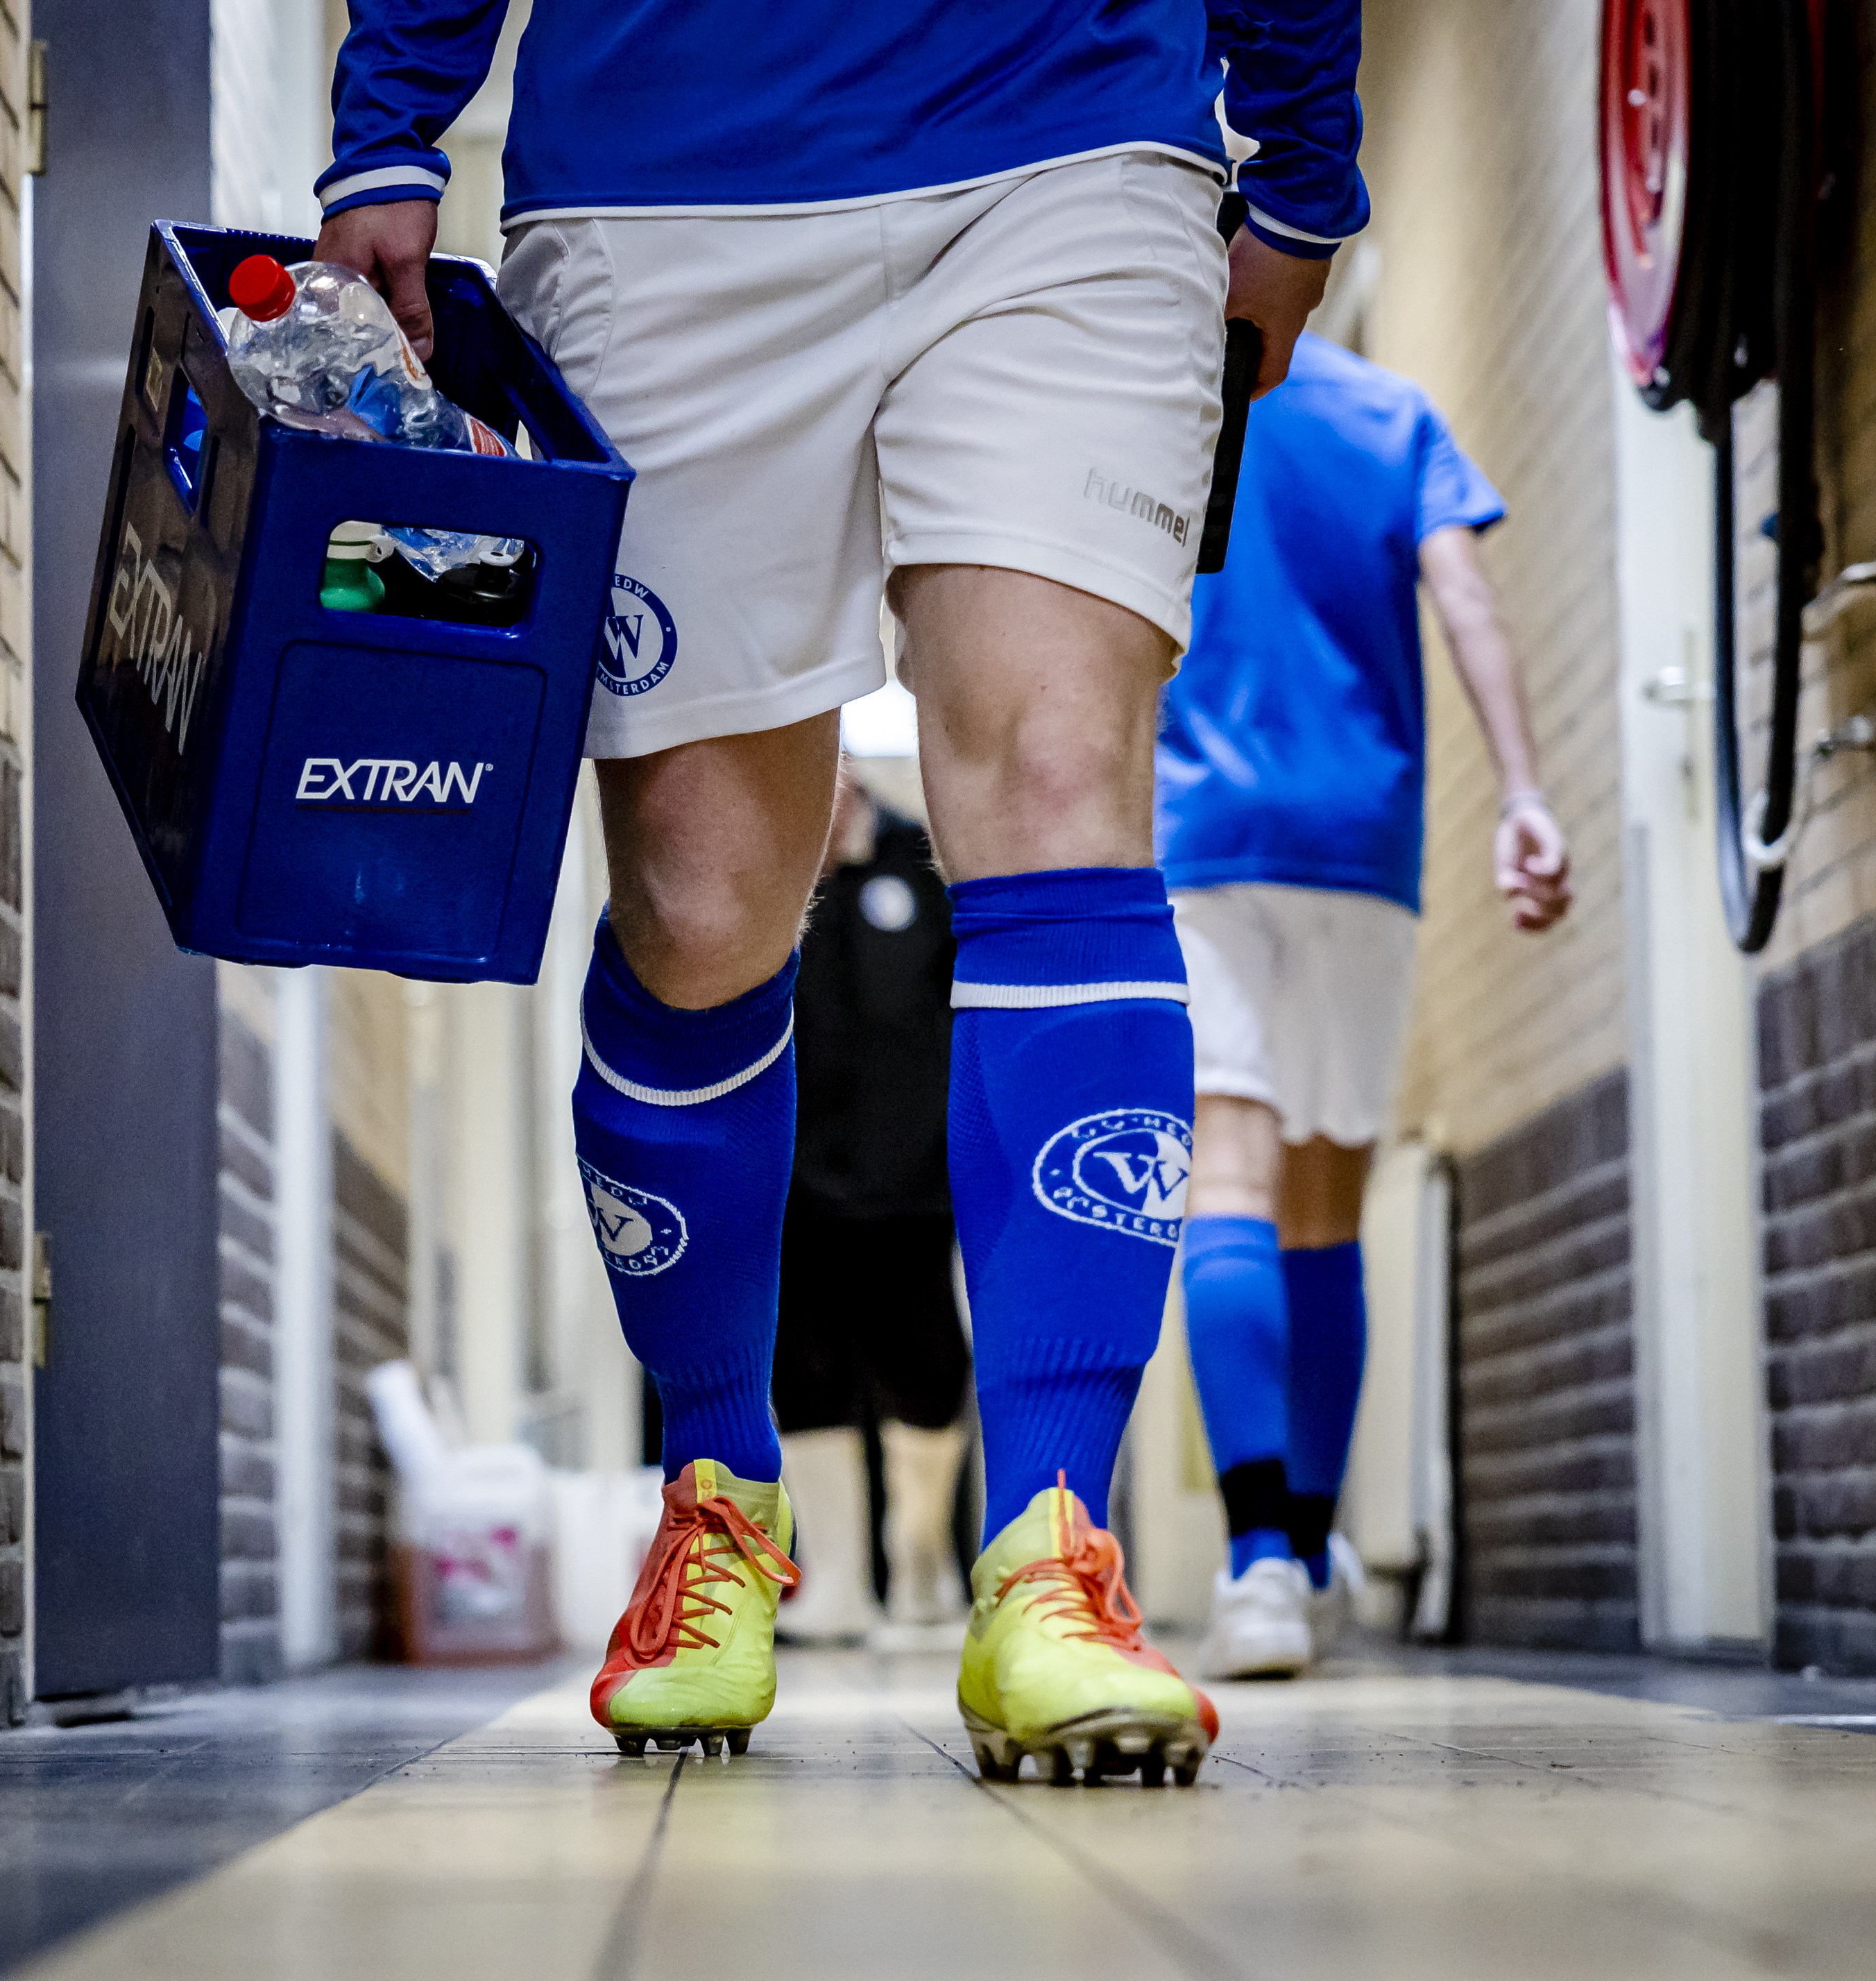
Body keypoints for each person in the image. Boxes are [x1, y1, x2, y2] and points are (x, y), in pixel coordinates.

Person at [316, 0, 1367, 1785]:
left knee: (1057, 784)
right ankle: (718, 1485)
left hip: (1074, 138)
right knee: (700, 893)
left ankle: (1050, 1538)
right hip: (661, 173)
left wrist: (1300, 151)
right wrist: (394, 115)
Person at [1157, 329, 1573, 1679]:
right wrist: (1520, 789)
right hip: (1361, 841)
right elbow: (1465, 600)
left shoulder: (1161, 392)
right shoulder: (1387, 414)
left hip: (1204, 833)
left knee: (1225, 1171)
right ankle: (1314, 1548)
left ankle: (1254, 1562)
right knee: (1324, 1201)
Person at [771, 760, 971, 1650]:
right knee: (806, 1369)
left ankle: (919, 1552)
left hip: (916, 1175)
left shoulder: (922, 862)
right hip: (799, 1176)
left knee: (927, 1368)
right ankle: (839, 1580)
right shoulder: (768, 871)